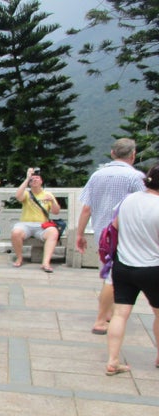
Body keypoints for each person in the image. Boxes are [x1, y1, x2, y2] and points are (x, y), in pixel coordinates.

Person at [76, 138, 145, 335]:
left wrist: (80, 234)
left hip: (101, 234)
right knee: (112, 278)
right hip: (125, 234)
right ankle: (101, 319)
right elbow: (144, 203)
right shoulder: (135, 177)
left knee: (108, 275)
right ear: (133, 155)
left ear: (113, 153)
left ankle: (108, 314)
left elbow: (86, 208)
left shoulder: (97, 175)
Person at [105, 163, 159, 376]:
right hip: (152, 268)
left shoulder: (129, 199)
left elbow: (115, 226)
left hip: (124, 266)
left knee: (120, 314)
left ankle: (112, 360)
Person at [11, 168, 62, 273]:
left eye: (37, 178)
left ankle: (46, 262)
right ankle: (19, 258)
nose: (35, 180)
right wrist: (27, 178)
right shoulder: (26, 194)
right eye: (32, 179)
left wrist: (52, 201)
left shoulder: (48, 194)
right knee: (16, 232)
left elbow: (56, 211)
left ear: (41, 181)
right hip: (25, 224)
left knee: (53, 232)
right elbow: (18, 196)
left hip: (42, 225)